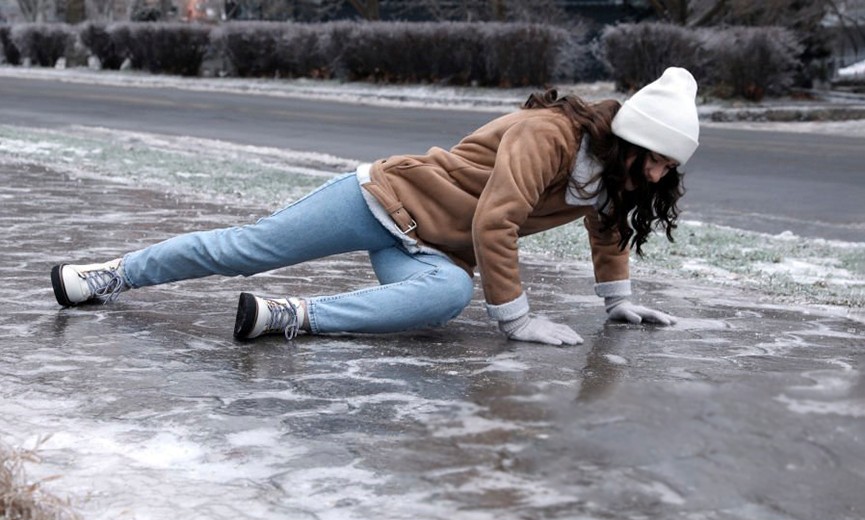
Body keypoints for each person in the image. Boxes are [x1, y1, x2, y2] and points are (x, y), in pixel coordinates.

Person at [51, 67, 700, 346]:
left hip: (431, 249)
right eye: (655, 158)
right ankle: (110, 274)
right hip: (382, 198)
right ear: (626, 139)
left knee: (444, 299)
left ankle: (288, 317)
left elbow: (607, 226)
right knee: (246, 250)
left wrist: (616, 302)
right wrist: (517, 320)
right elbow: (495, 220)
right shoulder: (549, 135)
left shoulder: (613, 175)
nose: (659, 172)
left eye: (669, 165)